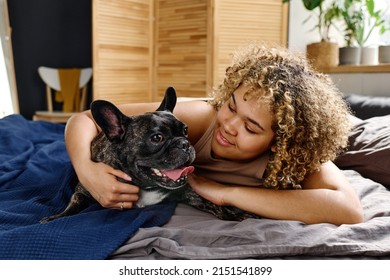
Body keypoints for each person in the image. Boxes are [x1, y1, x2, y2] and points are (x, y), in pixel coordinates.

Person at [64, 43, 363, 225]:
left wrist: (224, 193)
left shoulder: (294, 157)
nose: (230, 126)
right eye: (232, 107)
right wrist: (86, 170)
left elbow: (349, 209)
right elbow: (83, 119)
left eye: (251, 127)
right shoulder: (203, 118)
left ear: (282, 143)